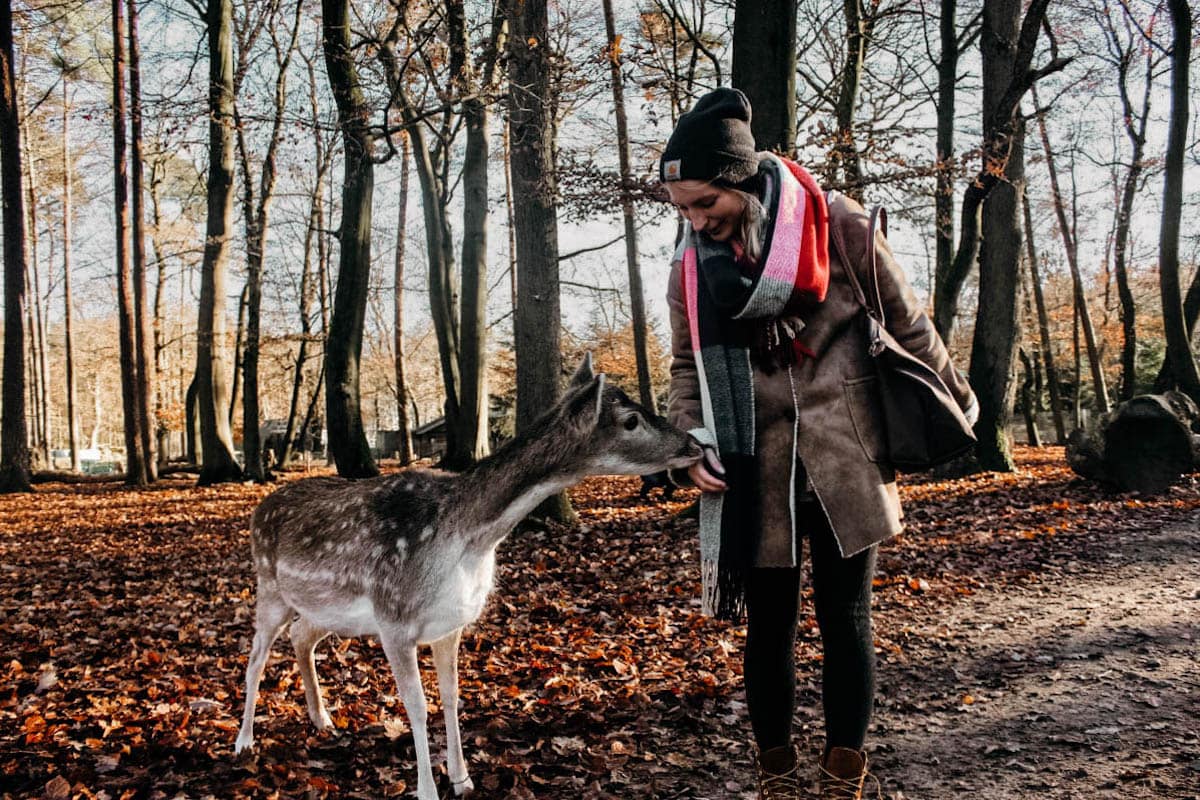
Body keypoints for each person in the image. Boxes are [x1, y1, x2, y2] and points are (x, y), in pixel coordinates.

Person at [661, 88, 977, 799]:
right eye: (681, 208)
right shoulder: (690, 268)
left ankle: (844, 774)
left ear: (741, 182)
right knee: (767, 626)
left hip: (848, 452)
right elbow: (687, 365)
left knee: (846, 617)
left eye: (704, 203)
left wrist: (954, 400)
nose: (694, 222)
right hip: (754, 462)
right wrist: (690, 443)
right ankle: (775, 773)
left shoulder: (839, 225)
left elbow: (908, 320)